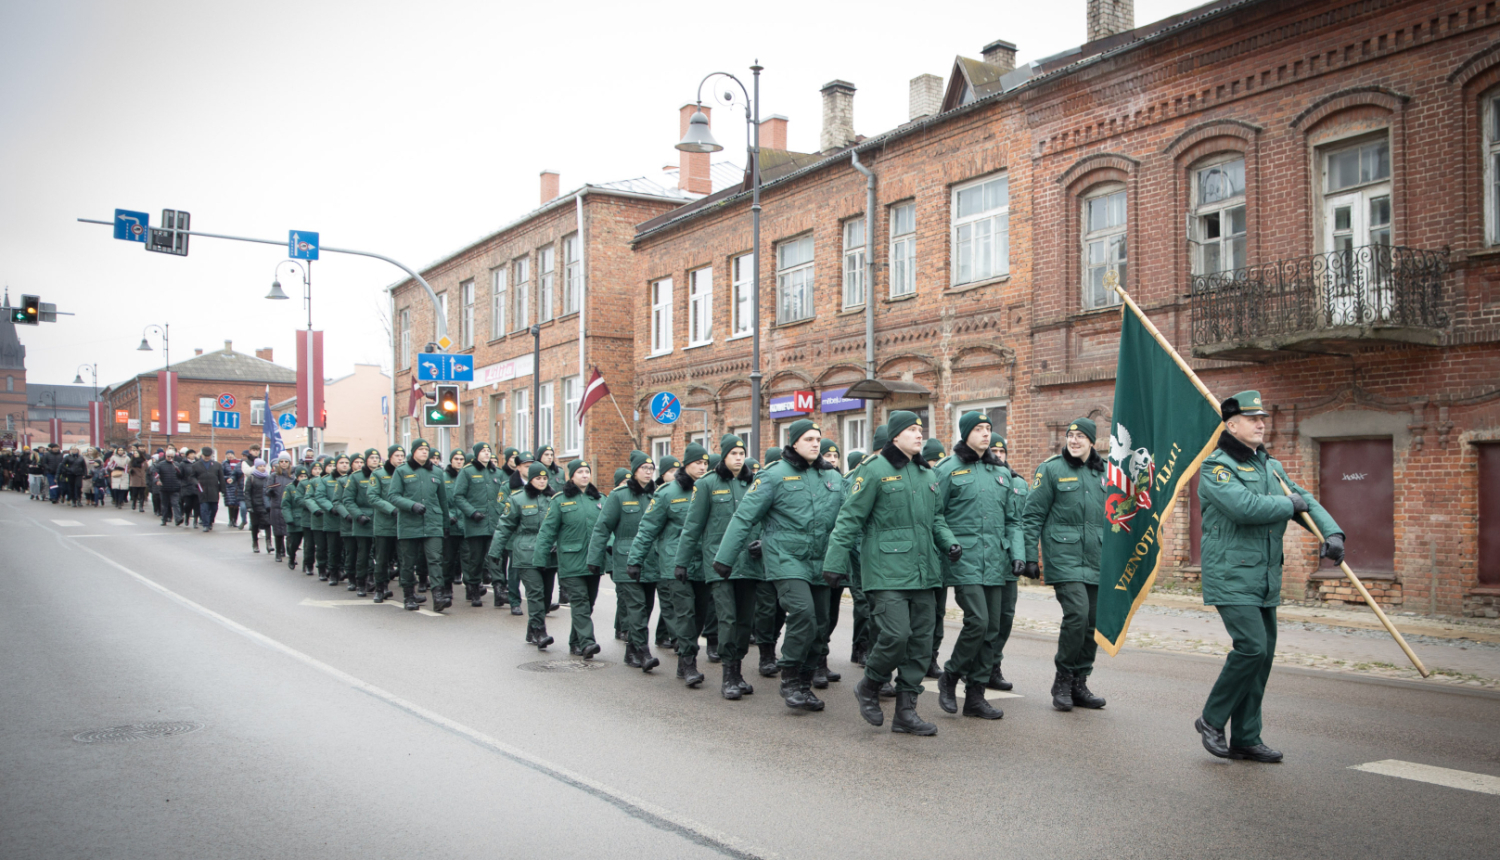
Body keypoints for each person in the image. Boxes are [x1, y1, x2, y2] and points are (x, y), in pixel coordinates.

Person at [1195, 391, 1344, 763]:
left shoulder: (1269, 466)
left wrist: (1333, 533)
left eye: (1262, 418)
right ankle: (1211, 720)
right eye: (1252, 419)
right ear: (1232, 425)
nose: (1262, 423)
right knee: (1251, 647)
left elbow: (1303, 498)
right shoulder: (1216, 467)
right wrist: (1288, 504)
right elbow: (1244, 508)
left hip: (1263, 578)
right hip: (1230, 575)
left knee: (1262, 658)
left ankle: (1246, 736)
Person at [823, 411, 957, 735]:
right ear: (895, 436)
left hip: (925, 571)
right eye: (912, 429)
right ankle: (869, 685)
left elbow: (936, 518)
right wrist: (834, 562)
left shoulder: (927, 474)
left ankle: (906, 712)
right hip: (885, 571)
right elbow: (849, 519)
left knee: (921, 645)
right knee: (896, 636)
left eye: (920, 429)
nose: (918, 434)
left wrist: (949, 542)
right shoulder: (873, 470)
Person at [716, 420, 845, 711]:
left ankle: (804, 682)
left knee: (821, 623)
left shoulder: (833, 478)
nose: (815, 444)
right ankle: (789, 677)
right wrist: (725, 557)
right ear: (794, 442)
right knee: (803, 612)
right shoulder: (774, 475)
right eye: (809, 439)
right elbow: (744, 517)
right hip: (785, 557)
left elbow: (852, 516)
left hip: (820, 558)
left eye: (818, 439)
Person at [931, 411, 1016, 720]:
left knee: (991, 629)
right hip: (962, 558)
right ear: (965, 433)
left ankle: (976, 696)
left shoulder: (1000, 472)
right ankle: (950, 675)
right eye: (978, 429)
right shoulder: (948, 469)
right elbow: (935, 514)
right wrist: (948, 543)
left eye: (988, 429)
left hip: (995, 558)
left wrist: (1017, 554)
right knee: (978, 620)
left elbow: (1013, 520)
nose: (985, 433)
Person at [1022, 417, 1109, 713]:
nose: (1074, 440)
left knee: (1094, 622)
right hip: (1064, 557)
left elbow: (1119, 517)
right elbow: (1032, 515)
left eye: (1080, 436)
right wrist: (1030, 557)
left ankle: (1079, 682)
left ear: (1092, 442)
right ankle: (1062, 680)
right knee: (1077, 614)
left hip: (1097, 558)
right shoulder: (1050, 469)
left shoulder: (1106, 473)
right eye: (1070, 435)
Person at [676, 434, 760, 699]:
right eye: (733, 453)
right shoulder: (708, 484)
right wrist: (681, 561)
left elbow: (767, 520)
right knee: (727, 618)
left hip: (749, 563)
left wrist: (764, 542)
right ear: (724, 456)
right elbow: (693, 527)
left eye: (741, 453)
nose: (738, 458)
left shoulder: (754, 483)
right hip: (719, 564)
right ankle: (728, 675)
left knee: (746, 621)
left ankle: (738, 670)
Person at [630, 444, 713, 688]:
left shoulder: (710, 489)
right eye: (698, 462)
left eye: (705, 463)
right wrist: (635, 559)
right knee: (685, 614)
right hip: (675, 564)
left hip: (704, 563)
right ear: (686, 465)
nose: (702, 467)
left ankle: (685, 661)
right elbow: (647, 528)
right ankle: (688, 663)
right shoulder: (668, 493)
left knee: (699, 616)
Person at [589, 451, 661, 670]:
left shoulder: (657, 495)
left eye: (651, 469)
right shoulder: (619, 496)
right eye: (644, 468)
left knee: (647, 608)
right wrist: (594, 557)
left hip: (651, 560)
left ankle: (631, 651)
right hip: (626, 560)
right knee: (637, 609)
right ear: (634, 470)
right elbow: (602, 528)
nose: (648, 473)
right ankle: (644, 652)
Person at [533, 459, 604, 657]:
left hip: (594, 561)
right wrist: (540, 559)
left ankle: (575, 642)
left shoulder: (599, 499)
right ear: (571, 476)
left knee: (588, 604)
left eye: (587, 472)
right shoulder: (560, 500)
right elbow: (547, 532)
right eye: (580, 472)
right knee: (580, 602)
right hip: (570, 561)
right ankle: (588, 642)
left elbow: (608, 527)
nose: (584, 475)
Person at [489, 462, 555, 640]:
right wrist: (495, 552)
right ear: (530, 480)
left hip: (550, 554)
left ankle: (532, 630)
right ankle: (540, 632)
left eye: (544, 478)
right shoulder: (518, 498)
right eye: (537, 478)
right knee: (536, 593)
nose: (542, 482)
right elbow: (504, 526)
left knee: (547, 597)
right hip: (527, 552)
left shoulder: (554, 499)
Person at [388, 439, 453, 612]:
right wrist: (411, 505)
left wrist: (445, 524)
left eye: (427, 449)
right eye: (421, 449)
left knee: (435, 559)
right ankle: (409, 596)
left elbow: (443, 500)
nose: (425, 452)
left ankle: (438, 596)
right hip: (409, 523)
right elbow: (393, 496)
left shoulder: (437, 472)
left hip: (432, 523)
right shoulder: (402, 471)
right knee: (408, 562)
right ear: (414, 451)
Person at [451, 443, 504, 607]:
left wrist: (501, 512)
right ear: (476, 454)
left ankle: (499, 591)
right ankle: (473, 589)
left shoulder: (497, 472)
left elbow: (503, 496)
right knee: (475, 559)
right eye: (483, 451)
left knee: (496, 558)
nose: (487, 454)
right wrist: (472, 512)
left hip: (494, 521)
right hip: (476, 523)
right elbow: (458, 496)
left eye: (489, 451)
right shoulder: (467, 472)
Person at [368, 445, 406, 602]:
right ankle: (380, 588)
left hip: (404, 524)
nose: (400, 458)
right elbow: (373, 497)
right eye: (396, 455)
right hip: (385, 524)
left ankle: (408, 591)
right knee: (382, 559)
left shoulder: (407, 473)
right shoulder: (378, 474)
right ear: (390, 457)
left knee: (405, 559)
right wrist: (392, 510)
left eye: (402, 455)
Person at [341, 450, 381, 596]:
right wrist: (358, 515)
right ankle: (361, 582)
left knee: (380, 554)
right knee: (363, 553)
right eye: (372, 458)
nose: (375, 460)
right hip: (363, 520)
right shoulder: (356, 477)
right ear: (366, 460)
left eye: (377, 458)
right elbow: (348, 500)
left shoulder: (383, 475)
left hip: (380, 519)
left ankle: (376, 581)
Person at [302, 458, 332, 577]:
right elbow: (308, 498)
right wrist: (316, 510)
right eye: (329, 466)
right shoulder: (315, 481)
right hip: (319, 518)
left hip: (333, 519)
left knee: (333, 547)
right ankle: (321, 568)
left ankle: (333, 568)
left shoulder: (338, 481)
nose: (332, 468)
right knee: (320, 546)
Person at [282, 464, 308, 571]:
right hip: (295, 521)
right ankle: (292, 557)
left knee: (308, 545)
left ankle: (306, 564)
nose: (303, 479)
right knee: (294, 543)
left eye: (305, 476)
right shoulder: (290, 488)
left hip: (306, 520)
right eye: (301, 477)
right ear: (297, 477)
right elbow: (285, 505)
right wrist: (289, 519)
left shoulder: (310, 487)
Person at [196, 447, 225, 532]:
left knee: (214, 508)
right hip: (202, 490)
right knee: (204, 508)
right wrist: (196, 484)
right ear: (202, 455)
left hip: (214, 490)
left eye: (208, 455)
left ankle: (211, 521)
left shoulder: (217, 465)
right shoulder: (196, 465)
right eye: (205, 455)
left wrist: (223, 490)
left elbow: (221, 478)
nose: (207, 457)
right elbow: (192, 477)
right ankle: (205, 524)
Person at [247, 458, 273, 552]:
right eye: (260, 466)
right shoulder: (252, 478)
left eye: (263, 466)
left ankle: (269, 543)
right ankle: (255, 543)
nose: (262, 468)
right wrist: (249, 506)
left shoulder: (268, 477)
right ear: (256, 467)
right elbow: (247, 492)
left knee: (267, 524)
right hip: (254, 505)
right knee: (255, 525)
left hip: (265, 505)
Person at [156, 447, 182, 525]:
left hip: (174, 488)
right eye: (168, 456)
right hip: (164, 488)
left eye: (172, 457)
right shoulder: (161, 464)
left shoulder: (177, 464)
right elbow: (156, 474)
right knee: (165, 505)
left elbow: (181, 476)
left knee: (175, 503)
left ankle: (178, 518)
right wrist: (157, 481)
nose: (170, 458)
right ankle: (164, 519)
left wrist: (178, 472)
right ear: (165, 456)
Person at [223, 452, 244, 528]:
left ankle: (235, 520)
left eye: (231, 454)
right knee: (230, 504)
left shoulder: (238, 463)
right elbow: (221, 474)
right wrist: (228, 477)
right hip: (228, 486)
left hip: (237, 485)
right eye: (228, 454)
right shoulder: (224, 464)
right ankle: (231, 520)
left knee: (236, 504)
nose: (230, 456)